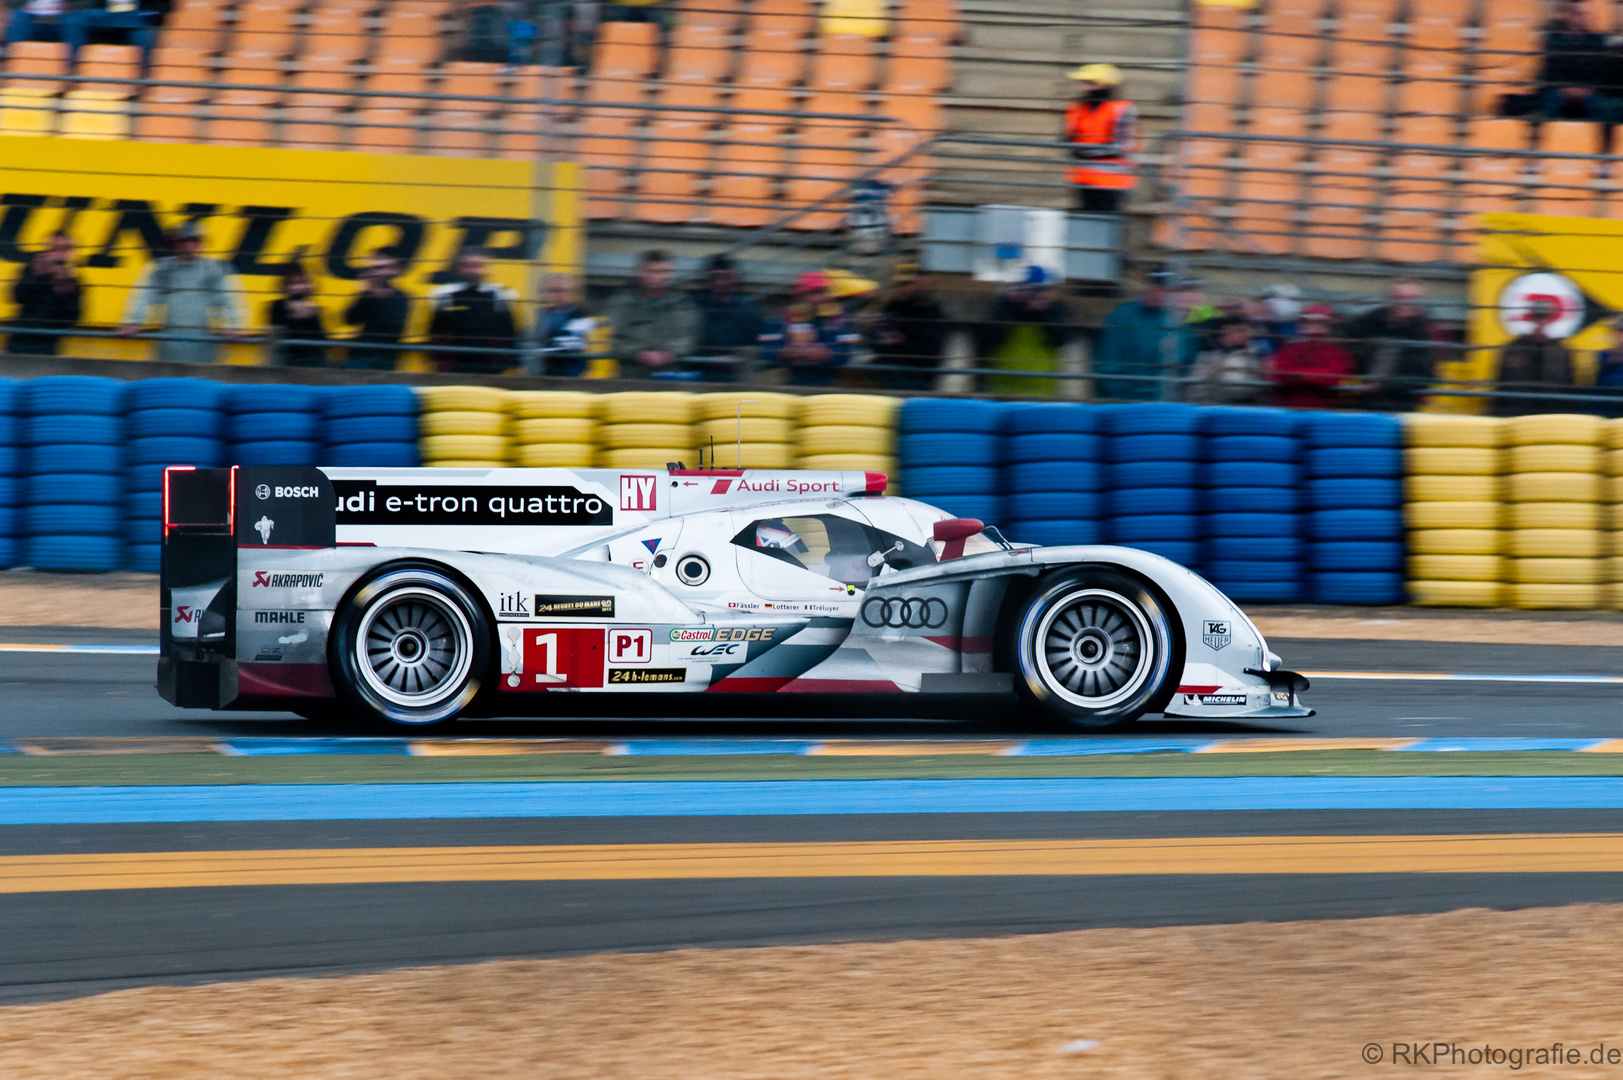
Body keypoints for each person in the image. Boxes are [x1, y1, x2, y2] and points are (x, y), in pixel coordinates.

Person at [117, 220, 245, 363]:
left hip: (204, 342)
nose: (189, 246)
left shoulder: (214, 269)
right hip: (169, 343)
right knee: (169, 381)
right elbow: (143, 294)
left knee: (202, 380)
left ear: (201, 243)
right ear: (176, 243)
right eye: (185, 241)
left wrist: (235, 325)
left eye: (194, 241)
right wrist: (132, 322)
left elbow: (229, 297)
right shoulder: (162, 269)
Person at [1093, 270, 1195, 401]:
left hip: (1160, 401)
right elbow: (1108, 358)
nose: (1169, 296)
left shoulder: (1174, 321)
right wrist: (1114, 393)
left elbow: (1184, 360)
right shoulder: (1122, 316)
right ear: (1153, 288)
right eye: (1164, 290)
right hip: (1122, 399)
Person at [973, 266, 1071, 396]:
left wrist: (1046, 311)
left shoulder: (1056, 311)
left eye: (1042, 289)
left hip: (1042, 393)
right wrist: (1014, 306)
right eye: (1030, 289)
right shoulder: (1004, 307)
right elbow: (990, 338)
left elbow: (1060, 339)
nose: (1036, 295)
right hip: (1001, 391)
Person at [1345, 278, 1439, 411]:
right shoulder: (1372, 320)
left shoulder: (1425, 332)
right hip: (1364, 401)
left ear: (1420, 302)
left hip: (1400, 405)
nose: (1404, 303)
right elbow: (1344, 336)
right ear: (1390, 299)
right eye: (1399, 297)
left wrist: (1381, 384)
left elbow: (1421, 375)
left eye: (1411, 298)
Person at [604, 249, 698, 379]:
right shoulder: (622, 303)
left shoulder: (684, 304)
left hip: (672, 381)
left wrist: (670, 353)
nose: (659, 277)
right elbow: (612, 337)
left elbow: (692, 337)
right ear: (640, 273)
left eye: (665, 272)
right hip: (631, 379)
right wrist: (639, 353)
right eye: (653, 271)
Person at [758, 271, 860, 387]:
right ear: (799, 296)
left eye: (823, 292)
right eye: (813, 293)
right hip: (789, 381)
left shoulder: (840, 319)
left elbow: (850, 349)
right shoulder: (779, 320)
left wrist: (825, 353)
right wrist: (785, 352)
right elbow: (765, 349)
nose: (820, 299)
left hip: (831, 381)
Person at [1062, 62, 1138, 214]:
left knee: (1107, 224)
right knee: (1087, 224)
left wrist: (1086, 152)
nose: (1083, 87)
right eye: (1083, 83)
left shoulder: (1122, 108)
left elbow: (1123, 146)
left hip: (1112, 180)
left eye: (1089, 83)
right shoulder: (1077, 109)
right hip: (1083, 179)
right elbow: (1068, 140)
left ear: (1105, 85)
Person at [427, 251, 519, 374]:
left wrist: (499, 362)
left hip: (489, 365)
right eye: (468, 266)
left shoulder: (500, 294)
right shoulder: (444, 294)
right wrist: (445, 363)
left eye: (478, 266)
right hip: (454, 366)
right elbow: (438, 332)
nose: (473, 271)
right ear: (457, 268)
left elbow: (506, 331)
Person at [1262, 303, 1357, 409]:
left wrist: (1301, 375)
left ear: (1328, 326)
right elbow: (1280, 375)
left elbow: (1336, 377)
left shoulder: (1337, 352)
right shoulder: (1289, 349)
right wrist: (1312, 375)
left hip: (1326, 410)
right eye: (1309, 323)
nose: (1315, 327)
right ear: (1301, 325)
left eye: (1321, 323)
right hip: (1290, 409)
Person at [869, 262, 947, 392]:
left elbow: (931, 349)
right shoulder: (893, 306)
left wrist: (898, 343)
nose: (905, 288)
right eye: (902, 284)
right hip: (891, 374)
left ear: (922, 282)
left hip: (917, 376)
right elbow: (875, 338)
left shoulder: (931, 310)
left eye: (909, 283)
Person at [1494, 298, 1574, 416]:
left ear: (1549, 320)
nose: (1540, 322)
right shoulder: (1513, 348)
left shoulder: (1561, 351)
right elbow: (1501, 383)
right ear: (1530, 318)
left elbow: (1569, 387)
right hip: (1517, 412)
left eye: (1543, 317)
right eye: (1537, 317)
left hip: (1551, 413)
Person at [690, 253, 762, 383]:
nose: (720, 282)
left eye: (726, 277)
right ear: (708, 279)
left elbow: (755, 346)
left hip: (736, 377)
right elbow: (689, 343)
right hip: (701, 374)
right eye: (715, 277)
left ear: (735, 279)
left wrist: (735, 358)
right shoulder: (696, 306)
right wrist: (712, 359)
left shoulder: (747, 309)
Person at [8, 232, 82, 355]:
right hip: (20, 339)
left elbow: (73, 319)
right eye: (55, 249)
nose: (59, 254)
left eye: (64, 249)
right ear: (46, 251)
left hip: (48, 343)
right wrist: (37, 277)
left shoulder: (72, 282)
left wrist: (65, 291)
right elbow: (17, 296)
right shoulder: (31, 271)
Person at [1540, 0, 1610, 120]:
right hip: (1559, 90)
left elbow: (1599, 71)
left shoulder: (1597, 40)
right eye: (1578, 14)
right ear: (1569, 16)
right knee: (1551, 100)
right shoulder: (1554, 39)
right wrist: (1565, 90)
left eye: (1585, 14)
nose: (1582, 18)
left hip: (1588, 91)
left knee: (1600, 104)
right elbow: (1551, 71)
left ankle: (1596, 138)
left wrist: (1585, 91)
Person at [343, 254, 411, 370]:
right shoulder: (368, 295)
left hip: (383, 358)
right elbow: (350, 319)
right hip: (360, 355)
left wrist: (375, 295)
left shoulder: (400, 297)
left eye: (382, 268)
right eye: (375, 268)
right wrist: (368, 294)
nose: (377, 273)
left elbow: (394, 328)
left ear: (394, 270)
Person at [1186, 316, 1266, 404]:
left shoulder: (1255, 358)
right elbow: (1198, 391)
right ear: (1221, 336)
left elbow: (1258, 390)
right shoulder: (1207, 359)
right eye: (1230, 332)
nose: (1241, 335)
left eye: (1241, 331)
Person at [265, 266, 328, 368]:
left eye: (302, 283)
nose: (298, 287)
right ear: (286, 286)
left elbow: (321, 338)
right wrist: (292, 314)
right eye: (294, 283)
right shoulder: (278, 305)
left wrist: (310, 317)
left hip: (313, 360)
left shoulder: (311, 306)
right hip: (288, 360)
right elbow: (276, 329)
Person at [536, 274, 594, 378]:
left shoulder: (581, 315)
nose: (558, 295)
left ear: (572, 292)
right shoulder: (539, 316)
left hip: (572, 375)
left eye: (562, 290)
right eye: (553, 291)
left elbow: (577, 346)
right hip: (543, 374)